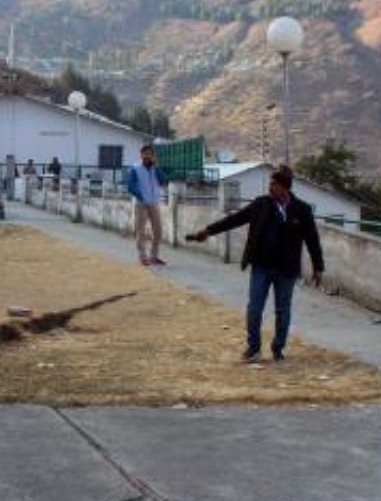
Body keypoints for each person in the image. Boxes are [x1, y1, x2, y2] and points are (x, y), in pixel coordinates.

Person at [188, 166, 324, 362]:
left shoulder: (302, 210)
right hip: (262, 265)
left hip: (287, 270)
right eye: (270, 184)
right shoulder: (261, 204)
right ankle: (254, 347)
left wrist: (318, 267)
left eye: (273, 184)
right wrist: (208, 231)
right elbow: (234, 220)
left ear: (284, 188)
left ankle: (278, 348)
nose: (269, 188)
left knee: (282, 310)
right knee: (254, 307)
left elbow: (313, 239)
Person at [126, 144, 168, 266]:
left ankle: (154, 256)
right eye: (145, 153)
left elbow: (163, 180)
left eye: (150, 154)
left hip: (154, 203)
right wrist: (141, 196)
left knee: (158, 230)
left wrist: (157, 167)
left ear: (153, 155)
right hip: (141, 204)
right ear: (141, 155)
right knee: (141, 231)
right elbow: (130, 186)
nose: (147, 156)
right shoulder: (135, 168)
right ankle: (143, 256)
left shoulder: (155, 168)